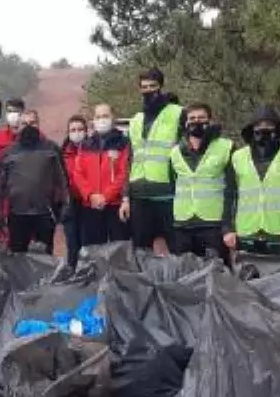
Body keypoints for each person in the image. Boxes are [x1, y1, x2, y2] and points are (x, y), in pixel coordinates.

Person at [227, 106, 280, 258]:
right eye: (258, 125)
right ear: (251, 129)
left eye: (269, 125)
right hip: (245, 232)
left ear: (277, 128)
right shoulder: (238, 157)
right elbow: (230, 195)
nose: (263, 129)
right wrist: (227, 229)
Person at [120, 68, 185, 253]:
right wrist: (126, 196)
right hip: (139, 194)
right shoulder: (136, 120)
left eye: (153, 86)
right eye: (144, 87)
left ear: (161, 86)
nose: (148, 90)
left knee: (176, 251)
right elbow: (130, 160)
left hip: (168, 194)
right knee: (141, 252)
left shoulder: (178, 113)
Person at [167, 102, 236, 265]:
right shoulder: (175, 152)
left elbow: (232, 189)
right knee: (184, 275)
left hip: (213, 223)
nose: (196, 122)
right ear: (185, 123)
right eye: (192, 118)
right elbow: (172, 185)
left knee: (218, 275)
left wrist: (228, 226)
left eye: (201, 118)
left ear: (210, 120)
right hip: (183, 223)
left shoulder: (226, 147)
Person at [0, 108, 68, 253]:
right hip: (17, 214)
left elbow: (62, 181)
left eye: (33, 123)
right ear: (19, 126)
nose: (28, 126)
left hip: (44, 213)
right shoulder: (8, 153)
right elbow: (0, 186)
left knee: (45, 258)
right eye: (24, 123)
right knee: (17, 258)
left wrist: (63, 208)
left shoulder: (52, 149)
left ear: (39, 124)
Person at [61, 114, 107, 264]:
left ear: (86, 131)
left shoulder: (94, 150)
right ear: (68, 133)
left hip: (90, 202)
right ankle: (73, 273)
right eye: (73, 130)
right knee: (73, 244)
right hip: (70, 203)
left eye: (80, 129)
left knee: (91, 243)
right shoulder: (62, 153)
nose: (77, 132)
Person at [86, 103, 131, 244]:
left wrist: (106, 196)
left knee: (119, 250)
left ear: (113, 118)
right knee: (94, 251)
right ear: (93, 120)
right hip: (91, 205)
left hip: (115, 205)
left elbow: (125, 172)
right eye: (98, 117)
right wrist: (90, 195)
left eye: (105, 116)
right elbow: (78, 173)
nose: (101, 120)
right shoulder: (86, 144)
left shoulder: (123, 142)